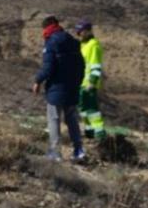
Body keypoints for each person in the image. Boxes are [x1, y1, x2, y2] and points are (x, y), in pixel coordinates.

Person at [33, 15, 86, 162]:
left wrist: (38, 81)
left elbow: (48, 67)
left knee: (54, 119)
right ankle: (78, 150)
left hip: (56, 88)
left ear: (46, 28)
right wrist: (77, 82)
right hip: (72, 87)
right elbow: (82, 65)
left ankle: (55, 152)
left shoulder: (51, 43)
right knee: (72, 119)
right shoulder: (73, 43)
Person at [75, 20, 106, 139]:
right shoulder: (83, 45)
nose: (79, 33)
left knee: (91, 108)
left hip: (88, 83)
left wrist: (92, 82)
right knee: (82, 108)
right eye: (78, 31)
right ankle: (89, 131)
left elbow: (95, 66)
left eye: (81, 31)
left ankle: (99, 132)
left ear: (88, 31)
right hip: (81, 82)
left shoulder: (93, 45)